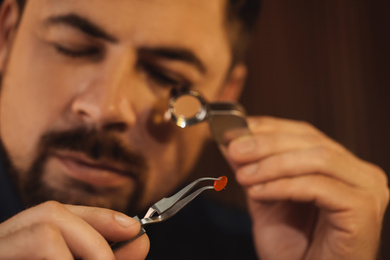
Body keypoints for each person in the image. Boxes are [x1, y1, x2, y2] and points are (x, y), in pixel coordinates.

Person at [0, 0, 388, 259]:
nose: (107, 109)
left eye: (166, 75)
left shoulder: (265, 251)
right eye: (73, 48)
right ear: (5, 36)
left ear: (224, 95)